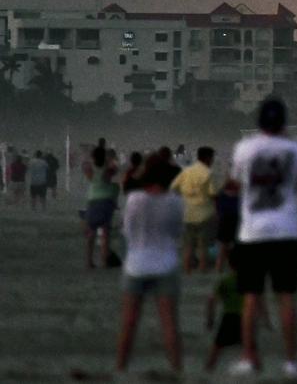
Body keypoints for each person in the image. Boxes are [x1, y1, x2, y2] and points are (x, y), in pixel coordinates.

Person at [228, 99, 297, 378]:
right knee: (287, 297)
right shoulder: (296, 150)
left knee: (250, 298)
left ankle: (250, 358)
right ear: (284, 122)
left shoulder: (244, 149)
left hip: (252, 232)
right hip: (286, 230)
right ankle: (291, 362)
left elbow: (238, 182)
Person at [115, 160, 184, 374]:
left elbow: (127, 231)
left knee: (129, 321)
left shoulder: (134, 199)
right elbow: (177, 232)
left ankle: (121, 368)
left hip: (136, 263)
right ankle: (176, 369)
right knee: (169, 322)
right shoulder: (176, 202)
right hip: (166, 262)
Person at [206, 251, 272, 372]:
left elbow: (211, 300)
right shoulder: (251, 280)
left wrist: (210, 318)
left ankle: (208, 369)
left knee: (217, 348)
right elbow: (260, 301)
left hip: (229, 317)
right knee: (251, 347)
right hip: (246, 318)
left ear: (229, 264)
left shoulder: (225, 281)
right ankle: (258, 369)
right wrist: (266, 320)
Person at [171, 145, 219, 274]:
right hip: (205, 214)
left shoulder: (186, 171)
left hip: (187, 213)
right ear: (208, 158)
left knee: (188, 246)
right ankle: (203, 272)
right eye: (212, 157)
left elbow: (174, 187)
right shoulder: (209, 173)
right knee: (203, 247)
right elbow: (214, 194)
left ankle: (187, 271)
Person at [83, 141, 120, 269]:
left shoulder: (90, 169)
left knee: (91, 232)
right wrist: (109, 160)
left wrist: (90, 158)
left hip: (93, 199)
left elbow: (87, 172)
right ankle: (104, 261)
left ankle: (89, 261)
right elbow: (114, 171)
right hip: (107, 201)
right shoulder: (108, 169)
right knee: (105, 232)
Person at [214, 180, 240, 273]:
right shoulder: (238, 198)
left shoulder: (221, 197)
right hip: (234, 223)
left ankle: (219, 268)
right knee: (235, 249)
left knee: (223, 248)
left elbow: (218, 211)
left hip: (224, 223)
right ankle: (233, 268)